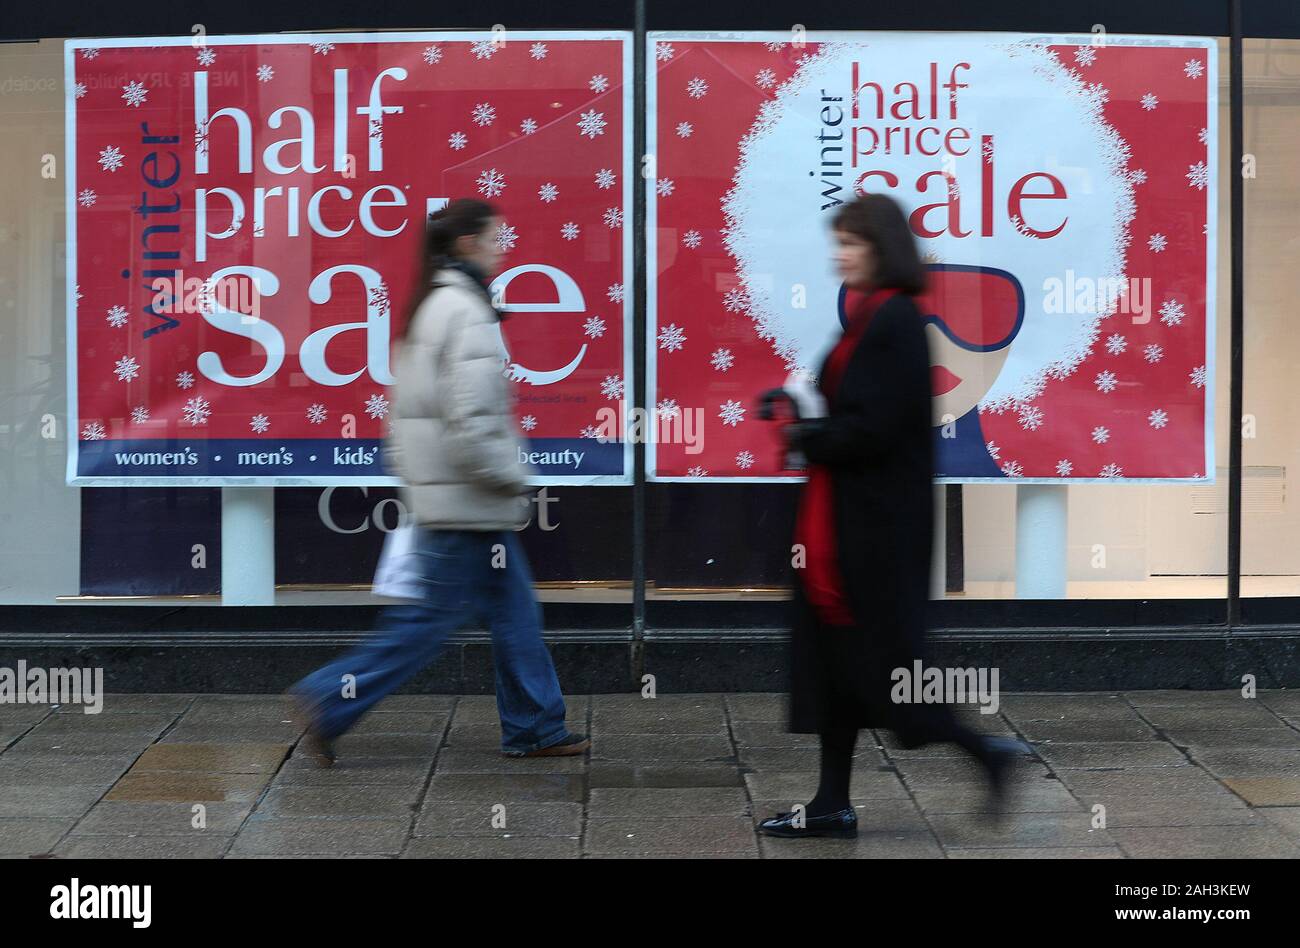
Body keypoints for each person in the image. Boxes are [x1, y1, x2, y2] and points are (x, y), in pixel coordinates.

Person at [758, 194, 1029, 839]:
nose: (840, 255)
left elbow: (873, 430)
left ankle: (987, 754)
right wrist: (798, 407)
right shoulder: (872, 316)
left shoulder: (894, 321)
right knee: (840, 667)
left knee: (883, 672)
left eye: (851, 243)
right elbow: (853, 406)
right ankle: (831, 802)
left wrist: (807, 436)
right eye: (839, 242)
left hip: (871, 535)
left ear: (882, 248)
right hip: (848, 523)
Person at [291, 198, 589, 763]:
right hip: (466, 501)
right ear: (467, 243)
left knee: (514, 615)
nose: (503, 249)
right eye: (496, 238)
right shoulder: (466, 310)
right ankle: (329, 698)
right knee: (425, 623)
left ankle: (535, 726)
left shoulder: (432, 303)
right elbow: (474, 419)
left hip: (456, 498)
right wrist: (511, 476)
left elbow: (409, 411)